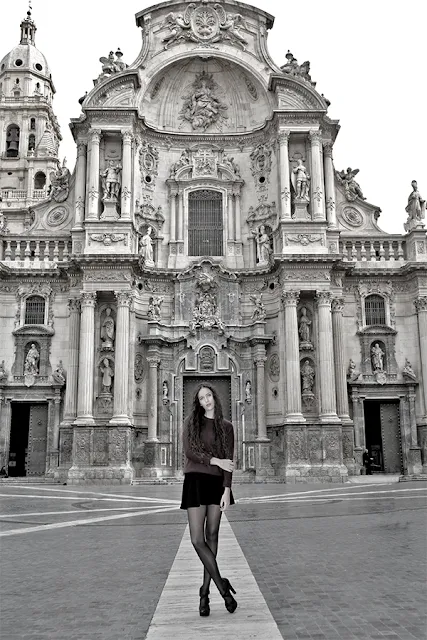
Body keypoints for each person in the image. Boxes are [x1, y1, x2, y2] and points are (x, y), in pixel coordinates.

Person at [181, 384, 237, 616]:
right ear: (198, 402)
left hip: (216, 485)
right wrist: (216, 461)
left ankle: (204, 593)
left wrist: (226, 490)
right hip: (195, 481)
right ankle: (222, 587)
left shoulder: (227, 427)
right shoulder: (191, 423)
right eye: (202, 398)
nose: (206, 401)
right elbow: (190, 453)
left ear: (215, 397)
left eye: (209, 396)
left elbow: (229, 461)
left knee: (212, 535)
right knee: (197, 539)